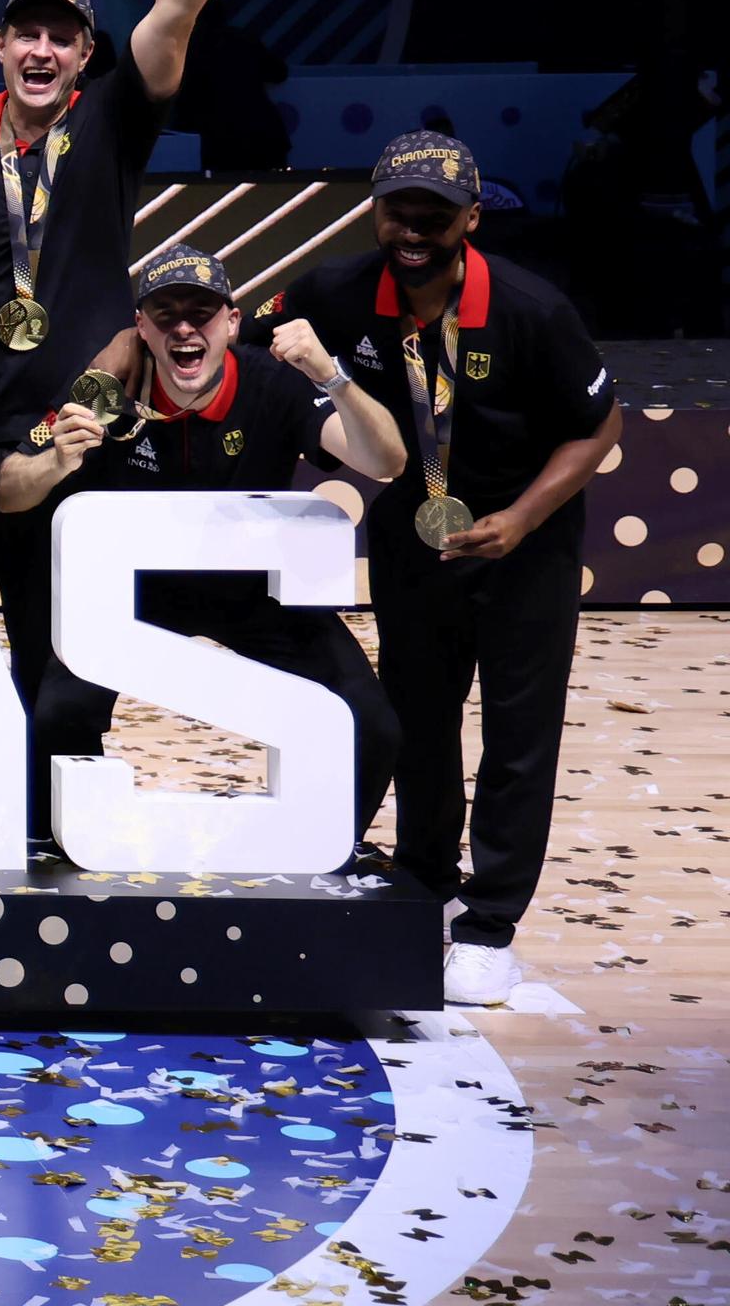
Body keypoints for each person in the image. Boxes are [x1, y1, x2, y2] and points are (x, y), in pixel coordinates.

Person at [0, 0, 270, 841]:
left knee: (65, 672)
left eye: (62, 35)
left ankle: (49, 837)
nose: (42, 49)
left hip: (80, 444)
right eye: (26, 30)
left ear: (85, 54)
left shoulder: (111, 122)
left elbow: (177, 7)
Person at [263, 133, 621, 1007]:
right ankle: (423, 885)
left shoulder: (532, 309)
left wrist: (523, 518)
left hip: (524, 547)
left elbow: (601, 426)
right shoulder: (336, 292)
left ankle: (491, 922)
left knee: (517, 736)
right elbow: (259, 345)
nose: (412, 227)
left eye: (433, 212)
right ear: (374, 209)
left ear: (472, 216)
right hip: (411, 544)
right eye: (397, 208)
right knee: (419, 724)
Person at [0, 245, 405, 868]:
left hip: (254, 593)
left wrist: (334, 377)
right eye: (165, 315)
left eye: (202, 313)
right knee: (57, 713)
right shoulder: (107, 389)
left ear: (233, 323)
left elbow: (387, 462)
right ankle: (67, 854)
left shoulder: (275, 383)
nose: (184, 328)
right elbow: (6, 491)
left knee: (371, 726)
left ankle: (326, 854)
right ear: (141, 328)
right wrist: (56, 461)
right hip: (135, 597)